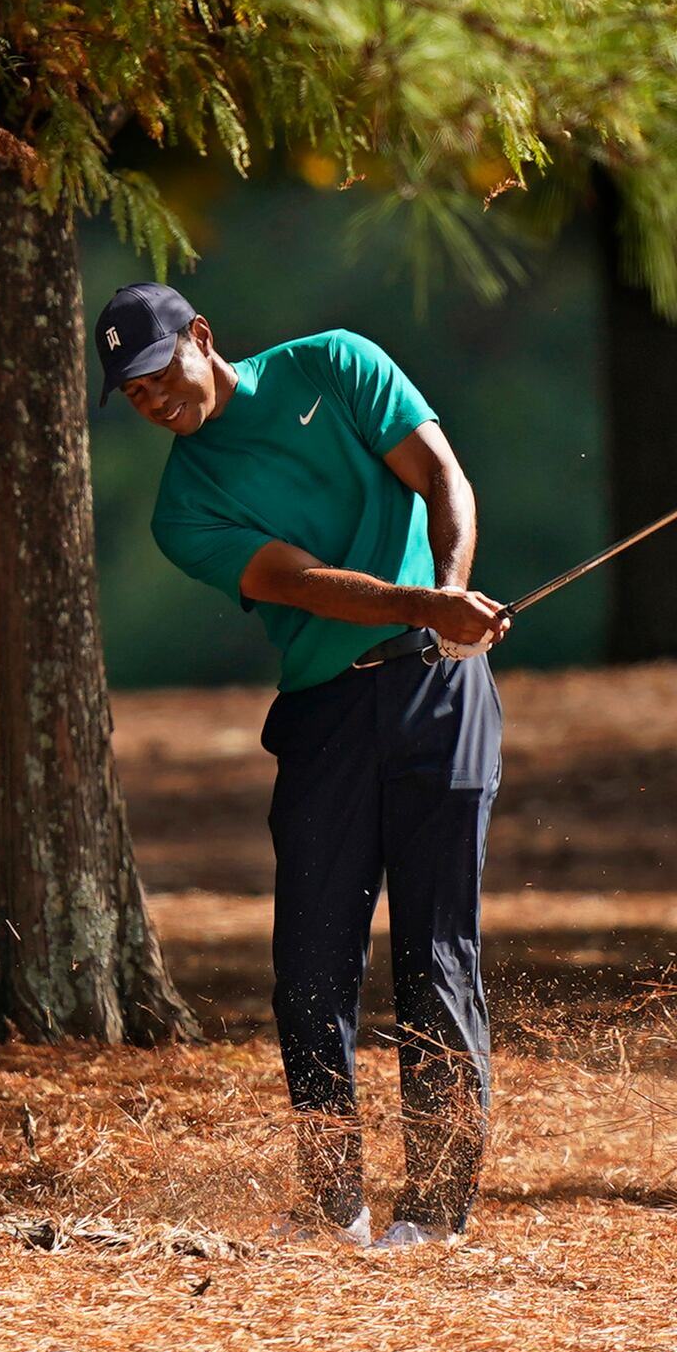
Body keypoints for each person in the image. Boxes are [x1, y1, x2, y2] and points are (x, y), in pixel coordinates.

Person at [103, 281, 511, 1249]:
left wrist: (450, 602)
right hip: (327, 715)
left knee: (435, 951)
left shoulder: (336, 362)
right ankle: (336, 1207)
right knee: (310, 967)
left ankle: (436, 1213)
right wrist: (423, 606)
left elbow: (444, 478)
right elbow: (292, 582)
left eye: (159, 374)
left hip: (439, 699)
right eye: (133, 395)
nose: (155, 403)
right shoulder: (182, 507)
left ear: (202, 338)